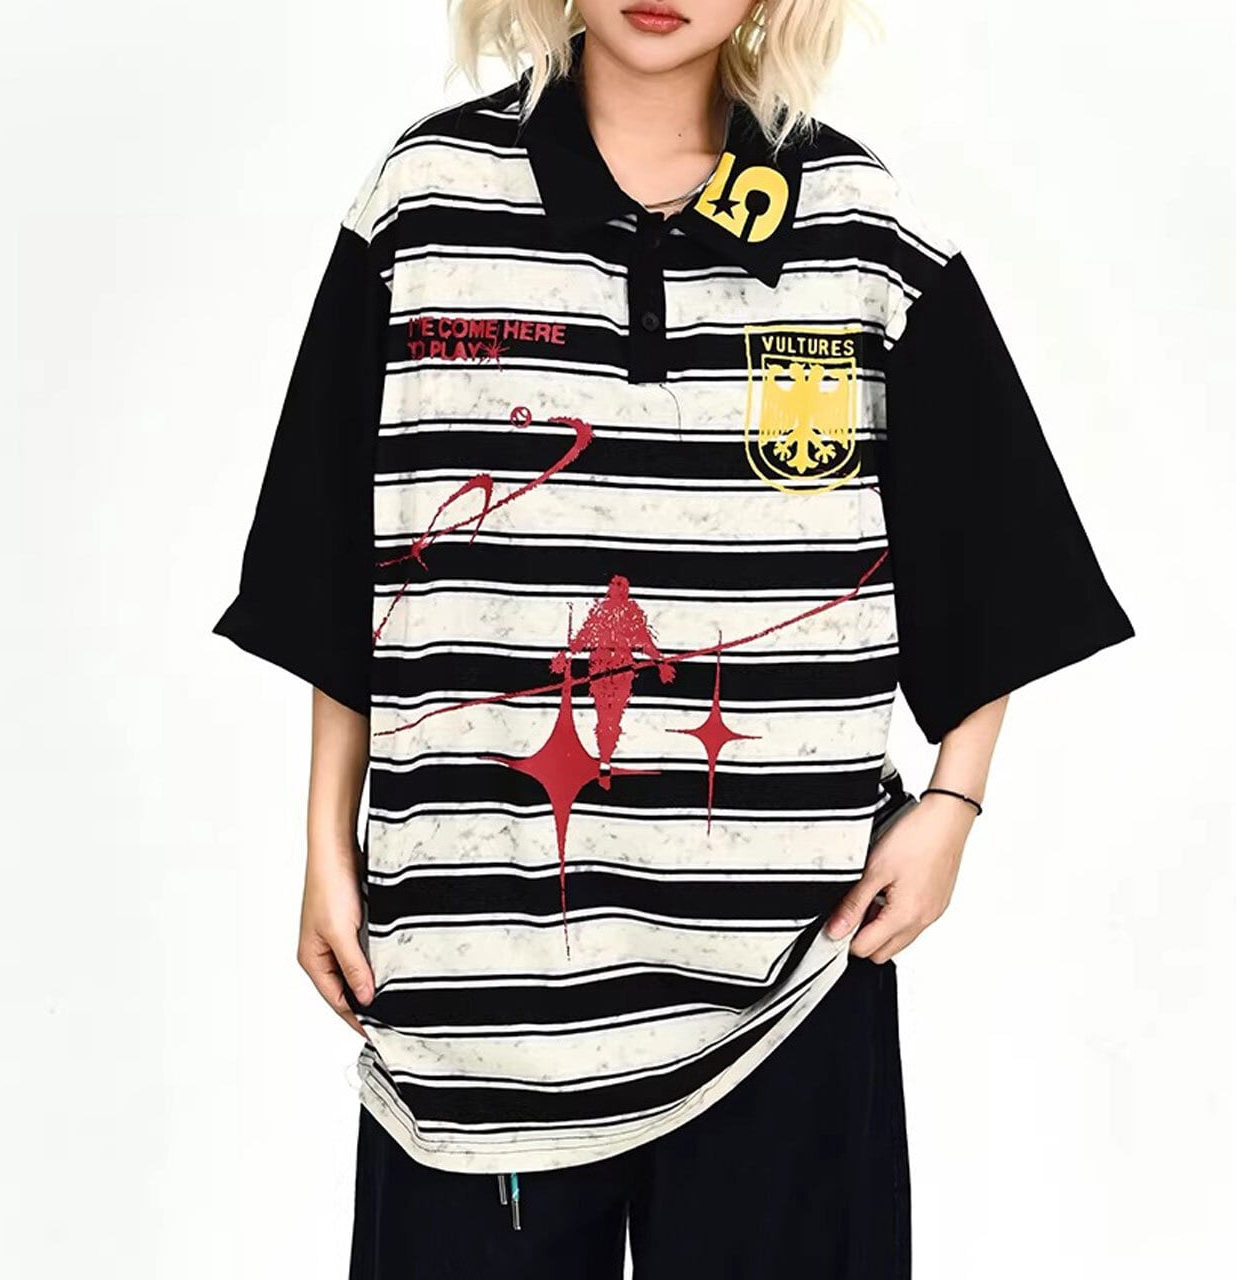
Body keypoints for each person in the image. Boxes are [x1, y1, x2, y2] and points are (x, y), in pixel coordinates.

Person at [211, 1, 1136, 1275]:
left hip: (790, 970)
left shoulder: (854, 222)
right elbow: (339, 558)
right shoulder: (427, 202)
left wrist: (952, 807)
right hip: (481, 973)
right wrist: (325, 842)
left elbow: (990, 542)